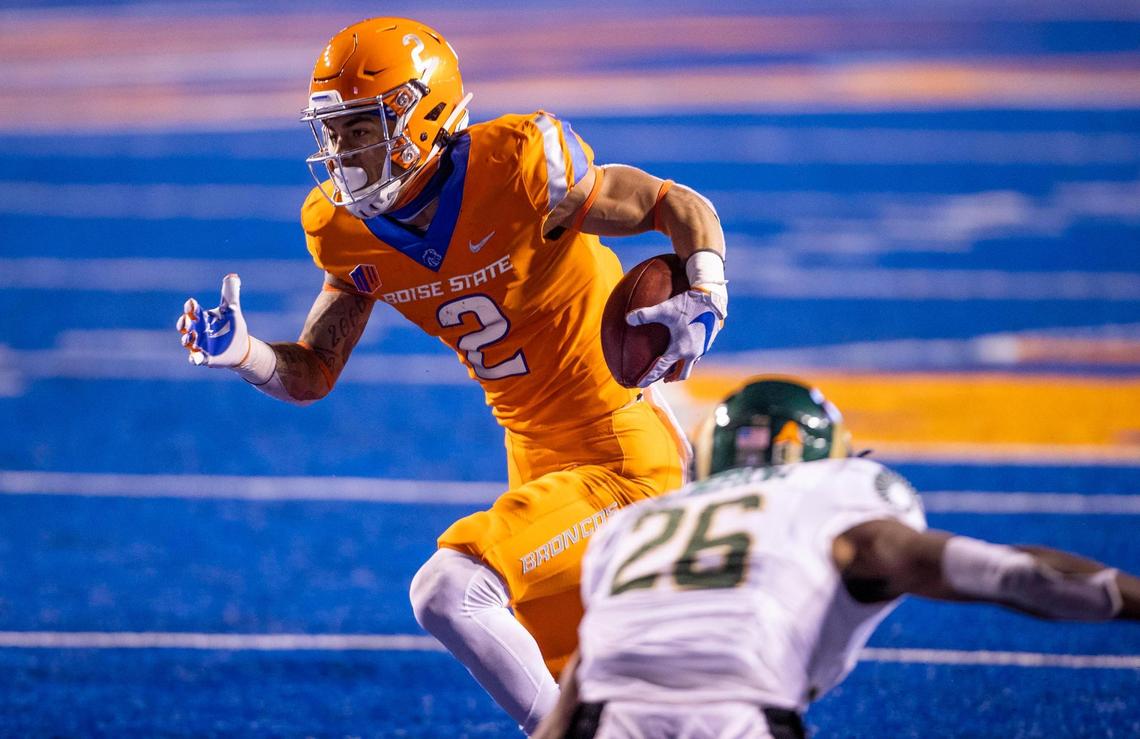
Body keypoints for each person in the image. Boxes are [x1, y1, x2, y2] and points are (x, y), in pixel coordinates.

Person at [174, 16, 727, 733]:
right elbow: (313, 372)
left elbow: (674, 205)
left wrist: (706, 289)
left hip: (620, 454)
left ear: (423, 113)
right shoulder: (342, 229)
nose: (341, 150)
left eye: (361, 127)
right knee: (616, 694)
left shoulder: (525, 163)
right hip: (536, 463)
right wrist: (246, 352)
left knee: (451, 591)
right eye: (333, 130)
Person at [533, 377, 1140, 739]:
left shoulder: (636, 524)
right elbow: (1010, 574)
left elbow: (581, 681)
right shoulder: (835, 496)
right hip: (730, 716)